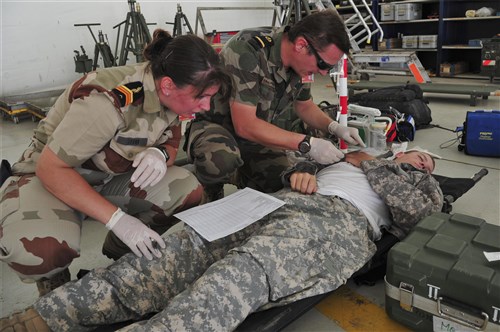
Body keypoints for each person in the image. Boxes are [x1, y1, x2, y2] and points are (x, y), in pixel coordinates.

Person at [0, 150, 443, 331]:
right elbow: (291, 167)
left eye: (426, 160)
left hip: (335, 224)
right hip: (272, 203)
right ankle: (39, 318)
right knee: (168, 254)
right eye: (418, 155)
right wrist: (300, 172)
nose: (422, 160)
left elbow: (417, 218)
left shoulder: (416, 182)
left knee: (235, 279)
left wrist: (388, 165)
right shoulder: (350, 155)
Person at [0, 29, 232, 296]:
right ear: (168, 85)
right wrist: (119, 220)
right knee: (42, 250)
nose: (206, 106)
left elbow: (170, 140)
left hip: (106, 176)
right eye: (201, 97)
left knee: (186, 191)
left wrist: (161, 155)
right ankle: (54, 282)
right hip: (52, 177)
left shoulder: (171, 95)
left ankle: (121, 250)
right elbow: (51, 168)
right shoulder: (108, 102)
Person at [184, 9, 365, 201]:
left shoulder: (299, 64)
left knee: (287, 182)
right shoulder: (247, 50)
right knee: (220, 159)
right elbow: (244, 125)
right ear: (302, 45)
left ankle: (244, 173)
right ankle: (212, 187)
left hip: (257, 136)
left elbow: (304, 105)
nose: (322, 73)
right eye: (323, 65)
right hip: (218, 130)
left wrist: (335, 127)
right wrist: (307, 144)